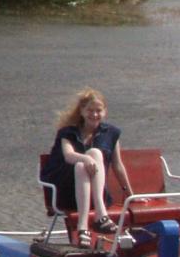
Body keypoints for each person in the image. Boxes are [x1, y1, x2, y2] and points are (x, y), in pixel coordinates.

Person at [42, 88, 133, 246]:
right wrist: (85, 159)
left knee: (95, 153)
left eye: (98, 110)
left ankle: (85, 226)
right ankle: (99, 217)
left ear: (105, 112)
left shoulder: (111, 133)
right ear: (82, 111)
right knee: (81, 164)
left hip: (95, 195)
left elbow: (118, 166)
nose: (94, 114)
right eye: (90, 110)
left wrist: (131, 195)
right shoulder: (67, 133)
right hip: (67, 192)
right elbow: (69, 156)